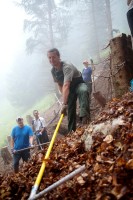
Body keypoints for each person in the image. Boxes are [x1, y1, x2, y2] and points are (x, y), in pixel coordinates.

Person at [47, 48, 90, 133]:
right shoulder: (53, 71)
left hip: (78, 84)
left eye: (54, 57)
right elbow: (60, 85)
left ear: (59, 57)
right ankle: (71, 132)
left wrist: (64, 103)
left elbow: (66, 85)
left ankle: (85, 119)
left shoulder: (67, 66)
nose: (51, 60)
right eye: (49, 58)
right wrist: (66, 100)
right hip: (69, 90)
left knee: (83, 90)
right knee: (70, 110)